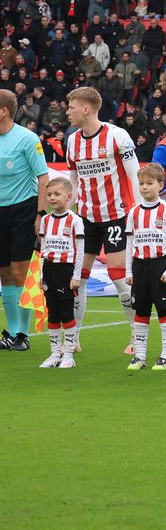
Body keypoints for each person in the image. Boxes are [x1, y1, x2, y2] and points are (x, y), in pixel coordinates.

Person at [64, 86, 141, 354]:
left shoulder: (117, 136)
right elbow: (73, 181)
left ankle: (136, 335)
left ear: (86, 109)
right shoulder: (72, 141)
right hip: (86, 218)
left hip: (117, 217)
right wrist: (66, 214)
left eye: (71, 107)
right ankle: (73, 337)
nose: (67, 111)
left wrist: (141, 213)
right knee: (79, 277)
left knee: (119, 278)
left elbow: (134, 176)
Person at [0, 89, 48, 352]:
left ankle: (22, 333)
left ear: (3, 111)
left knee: (20, 273)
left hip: (23, 210)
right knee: (4, 273)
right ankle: (10, 331)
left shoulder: (27, 139)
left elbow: (43, 178)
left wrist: (40, 216)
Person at [124, 163, 166, 372]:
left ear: (160, 185)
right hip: (140, 267)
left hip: (160, 265)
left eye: (149, 183)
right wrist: (129, 272)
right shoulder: (134, 213)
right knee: (141, 310)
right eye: (141, 184)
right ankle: (139, 356)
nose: (145, 187)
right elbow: (130, 244)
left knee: (164, 309)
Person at [36, 176, 84, 369]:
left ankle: (69, 354)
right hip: (49, 269)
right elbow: (43, 249)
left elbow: (80, 250)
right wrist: (41, 275)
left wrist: (77, 276)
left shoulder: (75, 220)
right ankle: (55, 353)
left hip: (66, 271)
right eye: (49, 194)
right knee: (53, 313)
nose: (52, 198)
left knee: (66, 312)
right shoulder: (46, 220)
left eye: (57, 194)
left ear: (69, 196)